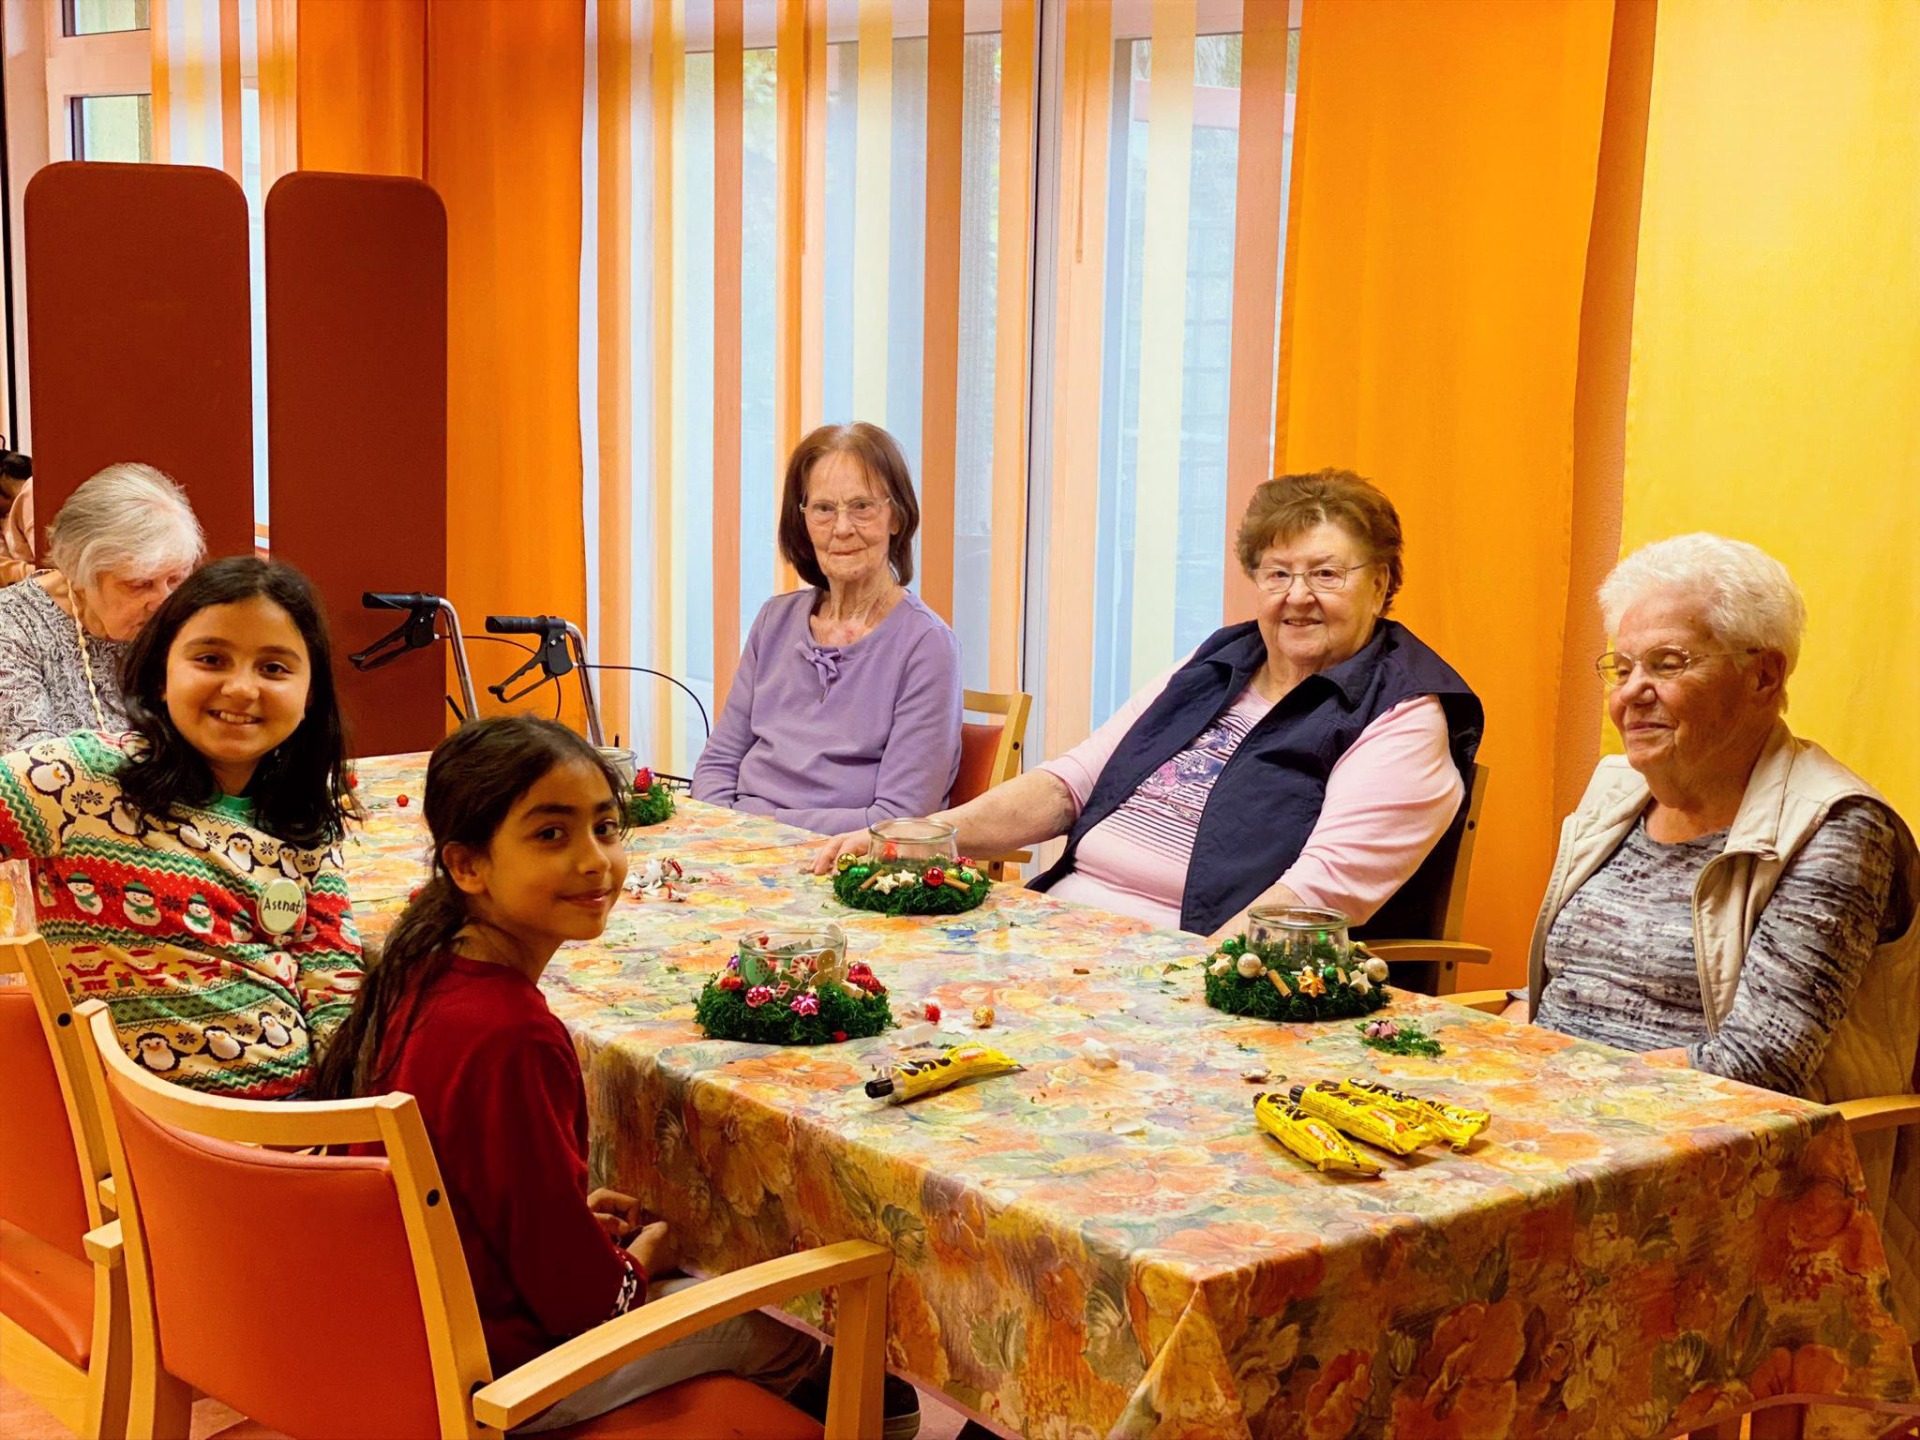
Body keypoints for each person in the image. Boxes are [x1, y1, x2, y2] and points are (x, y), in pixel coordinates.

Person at [310, 717, 839, 1432]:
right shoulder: (511, 1035)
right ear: (467, 866)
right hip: (499, 1373)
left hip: (401, 1332)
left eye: (606, 829)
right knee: (796, 1338)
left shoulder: (422, 969)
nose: (594, 862)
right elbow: (579, 1304)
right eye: (551, 835)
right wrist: (639, 1263)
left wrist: (573, 1226)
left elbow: (484, 1190)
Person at [813, 469, 1484, 939]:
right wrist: (914, 840)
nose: (1297, 596)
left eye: (1327, 574)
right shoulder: (1222, 662)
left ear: (1383, 582)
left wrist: (1194, 984)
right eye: (1278, 573)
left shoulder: (1401, 714)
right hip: (1070, 933)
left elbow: (1318, 895)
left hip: (1193, 963)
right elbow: (1071, 785)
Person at [1524, 535, 1918, 1326]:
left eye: (1668, 664)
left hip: (1734, 1175)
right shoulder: (1615, 792)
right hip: (1561, 1134)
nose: (1633, 692)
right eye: (1621, 666)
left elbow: (1756, 1068)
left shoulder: (1837, 829)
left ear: (1763, 674)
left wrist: (1547, 1097)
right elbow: (1552, 988)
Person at [0, 556, 362, 1097]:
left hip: (295, 1129)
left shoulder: (301, 812)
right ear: (162, 677)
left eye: (274, 668)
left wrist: (346, 1108)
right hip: (152, 1143)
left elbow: (331, 975)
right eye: (212, 659)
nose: (242, 689)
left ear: (309, 696)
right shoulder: (79, 779)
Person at [692, 422, 961, 835]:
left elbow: (901, 817)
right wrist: (724, 831)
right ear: (802, 521)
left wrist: (765, 826)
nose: (841, 528)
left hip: (846, 862)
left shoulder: (927, 646)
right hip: (739, 846)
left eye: (861, 506)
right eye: (823, 509)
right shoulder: (773, 621)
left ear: (896, 516)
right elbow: (719, 762)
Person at [0, 463, 204, 749]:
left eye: (176, 579)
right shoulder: (12, 628)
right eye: (140, 584)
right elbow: (30, 767)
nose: (164, 602)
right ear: (78, 572)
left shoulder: (193, 620)